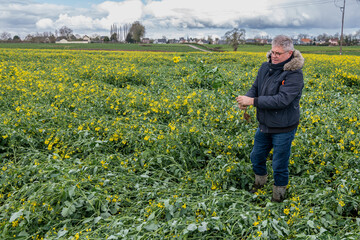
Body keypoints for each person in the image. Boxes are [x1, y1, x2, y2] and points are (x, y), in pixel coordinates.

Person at [236, 35, 304, 202]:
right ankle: (260, 183)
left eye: (278, 53)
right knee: (256, 156)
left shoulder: (294, 74)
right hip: (265, 124)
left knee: (279, 165)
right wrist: (247, 98)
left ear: (289, 53)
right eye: (272, 51)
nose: (274, 55)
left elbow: (282, 100)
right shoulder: (265, 67)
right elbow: (256, 87)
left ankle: (278, 197)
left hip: (284, 127)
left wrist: (253, 101)